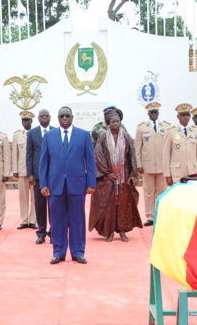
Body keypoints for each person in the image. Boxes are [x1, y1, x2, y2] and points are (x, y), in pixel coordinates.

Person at [39, 106, 96, 264]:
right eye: (61, 116)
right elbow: (44, 162)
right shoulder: (49, 136)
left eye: (67, 116)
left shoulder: (83, 135)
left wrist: (91, 183)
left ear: (72, 117)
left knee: (77, 219)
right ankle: (59, 252)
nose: (64, 118)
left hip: (77, 184)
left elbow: (90, 161)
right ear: (57, 118)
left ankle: (78, 252)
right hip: (55, 184)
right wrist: (43, 184)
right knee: (57, 220)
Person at [89, 107, 143, 242]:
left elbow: (132, 155)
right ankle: (109, 232)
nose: (115, 124)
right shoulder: (102, 137)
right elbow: (98, 156)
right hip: (108, 179)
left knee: (123, 205)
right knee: (109, 206)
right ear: (108, 123)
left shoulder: (125, 136)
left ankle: (123, 231)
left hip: (123, 178)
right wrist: (107, 174)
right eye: (112, 122)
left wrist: (133, 174)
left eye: (117, 121)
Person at [135, 102, 169, 226]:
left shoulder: (166, 126)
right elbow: (138, 148)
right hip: (147, 165)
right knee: (149, 192)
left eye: (155, 112)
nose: (154, 114)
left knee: (161, 191)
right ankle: (150, 216)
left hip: (162, 165)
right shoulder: (141, 128)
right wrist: (139, 164)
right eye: (151, 113)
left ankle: (160, 214)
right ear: (148, 114)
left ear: (158, 113)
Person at [27, 108, 54, 244]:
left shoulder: (55, 131)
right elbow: (29, 154)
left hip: (53, 174)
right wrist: (30, 173)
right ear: (38, 118)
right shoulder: (32, 133)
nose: (44, 118)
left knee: (54, 205)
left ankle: (53, 232)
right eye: (41, 116)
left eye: (46, 116)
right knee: (40, 205)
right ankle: (41, 232)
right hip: (38, 174)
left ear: (50, 117)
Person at [163, 103, 197, 186]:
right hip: (177, 172)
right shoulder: (171, 132)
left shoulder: (196, 131)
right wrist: (167, 174)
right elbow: (166, 154)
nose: (186, 117)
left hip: (193, 172)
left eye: (187, 115)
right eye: (183, 115)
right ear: (178, 117)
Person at [12, 111, 37, 230]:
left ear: (31, 121)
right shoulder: (17, 135)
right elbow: (15, 153)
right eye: (23, 120)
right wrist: (15, 169)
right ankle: (24, 220)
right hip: (22, 170)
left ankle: (33, 220)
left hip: (34, 171)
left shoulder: (36, 133)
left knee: (34, 196)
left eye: (27, 120)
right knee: (23, 197)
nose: (25, 122)